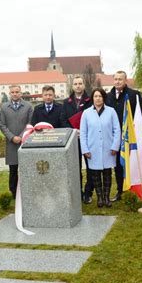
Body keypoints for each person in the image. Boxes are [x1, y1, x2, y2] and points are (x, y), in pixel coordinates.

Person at [105, 70, 142, 202]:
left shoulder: (134, 95)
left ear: (125, 80)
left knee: (131, 163)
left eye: (120, 79)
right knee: (118, 165)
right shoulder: (107, 96)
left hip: (130, 136)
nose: (117, 81)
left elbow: (141, 115)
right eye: (115, 79)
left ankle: (132, 189)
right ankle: (120, 191)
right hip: (114, 137)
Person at [80, 88, 121, 208]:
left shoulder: (111, 111)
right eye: (95, 96)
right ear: (92, 98)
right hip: (92, 149)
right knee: (95, 174)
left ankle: (106, 197)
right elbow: (83, 133)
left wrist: (115, 146)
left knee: (107, 173)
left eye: (100, 96)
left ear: (104, 98)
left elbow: (117, 130)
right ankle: (99, 198)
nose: (98, 98)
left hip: (109, 148)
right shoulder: (86, 113)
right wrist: (85, 149)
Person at [60, 76, 94, 204]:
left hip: (88, 138)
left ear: (84, 85)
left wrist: (83, 131)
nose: (78, 86)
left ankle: (88, 192)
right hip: (73, 139)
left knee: (91, 167)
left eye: (80, 83)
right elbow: (63, 119)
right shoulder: (66, 102)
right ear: (72, 86)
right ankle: (77, 192)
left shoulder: (90, 100)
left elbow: (94, 119)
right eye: (76, 84)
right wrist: (74, 131)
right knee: (75, 167)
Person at [0, 85, 33, 198]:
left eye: (17, 92)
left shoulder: (28, 106)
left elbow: (30, 122)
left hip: (25, 142)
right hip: (11, 143)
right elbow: (2, 124)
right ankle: (14, 192)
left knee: (26, 168)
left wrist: (22, 136)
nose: (15, 94)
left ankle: (27, 190)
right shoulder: (4, 107)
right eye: (12, 92)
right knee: (13, 169)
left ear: (21, 93)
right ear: (10, 93)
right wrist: (12, 137)